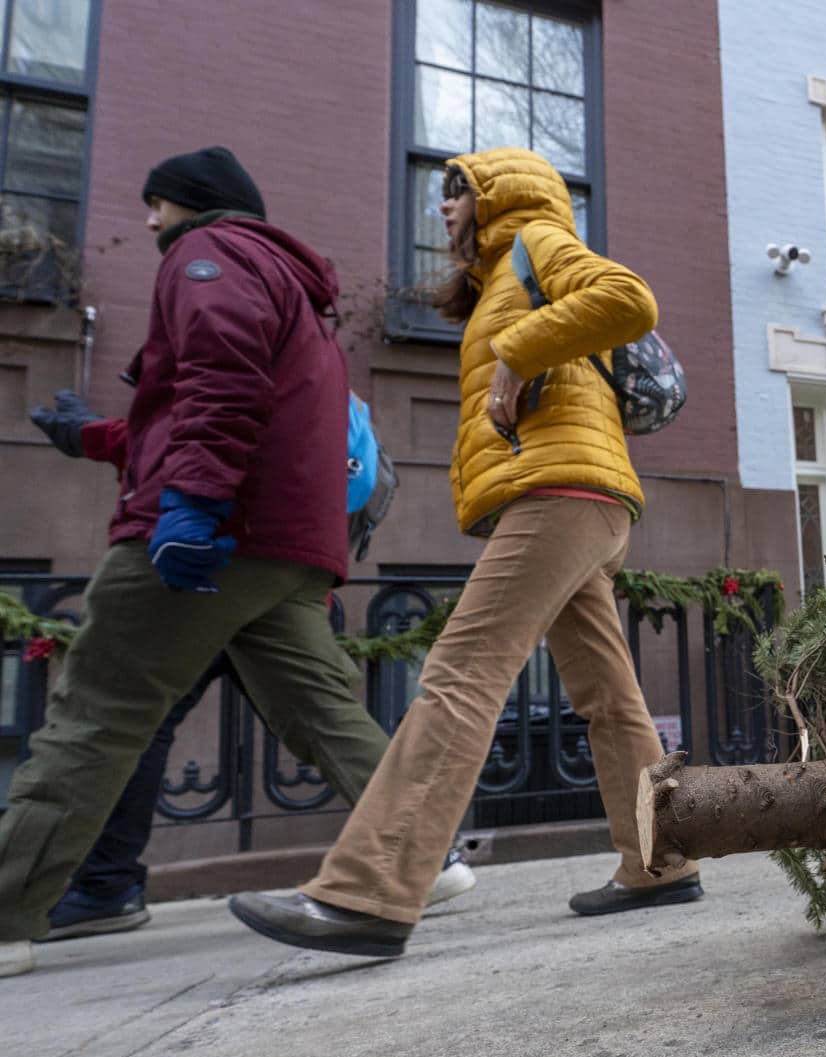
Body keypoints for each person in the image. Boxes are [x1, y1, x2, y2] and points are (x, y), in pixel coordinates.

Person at [228, 148, 698, 960]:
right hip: (574, 494)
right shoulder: (496, 280)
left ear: (495, 195)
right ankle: (660, 861)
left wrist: (519, 351)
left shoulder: (538, 243)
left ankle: (369, 891)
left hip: (564, 493)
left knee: (462, 670)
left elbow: (629, 300)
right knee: (609, 697)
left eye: (456, 193)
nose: (443, 208)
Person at [0, 146, 394, 979]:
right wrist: (95, 437)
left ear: (199, 205)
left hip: (215, 536)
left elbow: (219, 377)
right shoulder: (299, 297)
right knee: (326, 713)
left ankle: (9, 909)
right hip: (290, 549)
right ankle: (429, 854)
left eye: (158, 203)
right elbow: (206, 409)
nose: (149, 221)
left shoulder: (207, 255)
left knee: (98, 710)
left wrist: (191, 504)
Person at [26, 405, 475, 944]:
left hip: (213, 559)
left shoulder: (232, 330)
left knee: (123, 717)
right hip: (287, 564)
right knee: (321, 716)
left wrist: (90, 434)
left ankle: (100, 886)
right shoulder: (313, 359)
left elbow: (198, 427)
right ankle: (430, 853)